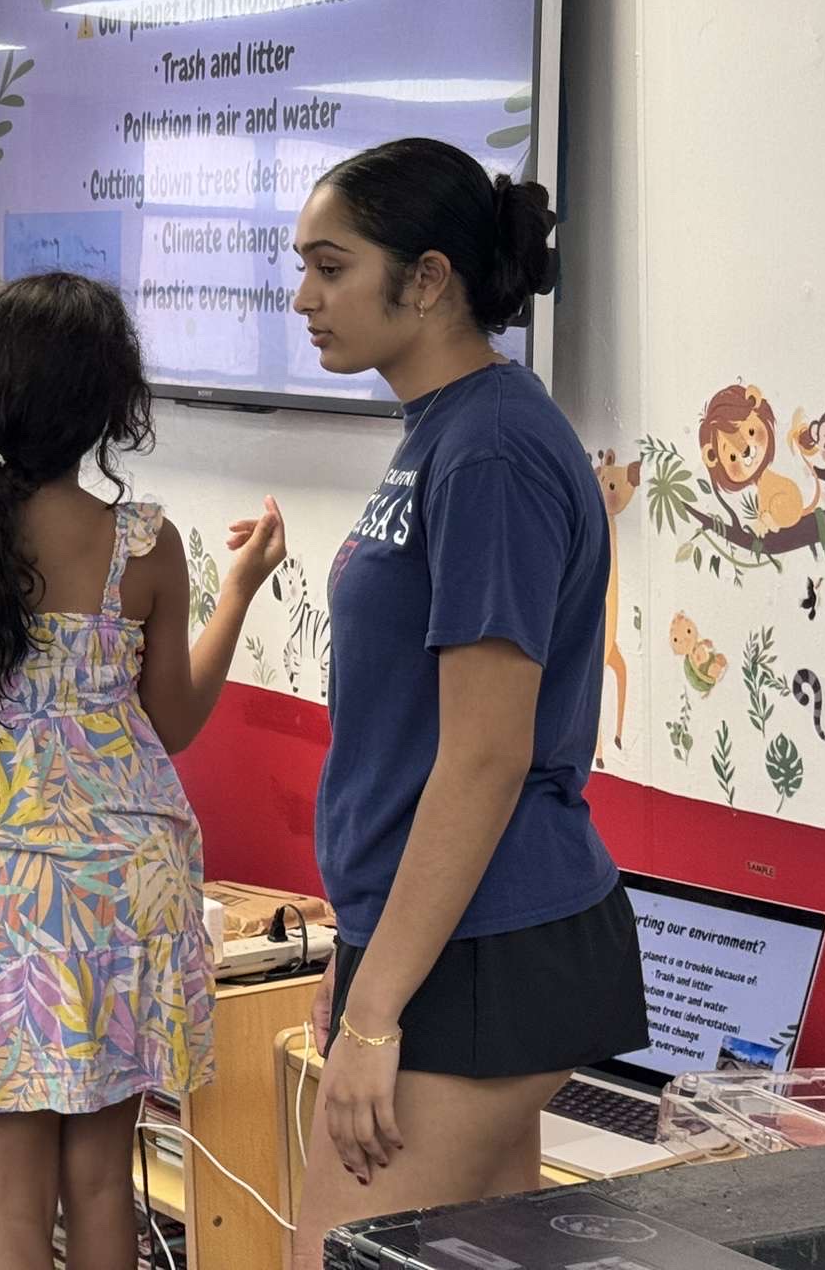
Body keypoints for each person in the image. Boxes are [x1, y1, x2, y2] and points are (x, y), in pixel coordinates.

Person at [287, 138, 647, 1267]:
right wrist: (363, 957)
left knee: (331, 1257)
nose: (304, 297)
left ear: (428, 277)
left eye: (332, 266)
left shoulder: (491, 446)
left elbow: (486, 756)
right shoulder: (444, 431)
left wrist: (375, 1016)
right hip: (442, 939)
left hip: (494, 950)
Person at [0, 272, 286, 1270]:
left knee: (10, 1202)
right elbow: (175, 721)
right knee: (104, 1184)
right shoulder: (139, 543)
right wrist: (241, 590)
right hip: (122, 888)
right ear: (110, 404)